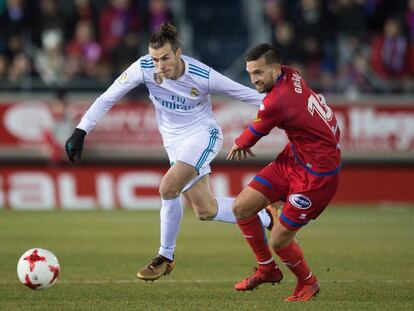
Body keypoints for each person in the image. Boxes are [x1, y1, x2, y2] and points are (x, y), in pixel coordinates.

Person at [65, 23, 276, 281]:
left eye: (165, 58)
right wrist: (81, 130)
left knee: (167, 187)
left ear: (178, 53)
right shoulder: (143, 68)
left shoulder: (202, 75)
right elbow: (108, 97)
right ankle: (263, 213)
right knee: (205, 210)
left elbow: (247, 95)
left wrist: (297, 103)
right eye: (155, 59)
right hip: (173, 141)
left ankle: (164, 257)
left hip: (202, 134)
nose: (160, 65)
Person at [227, 43, 340, 301]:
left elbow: (254, 132)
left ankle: (308, 283)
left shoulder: (278, 100)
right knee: (241, 208)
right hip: (295, 157)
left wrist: (240, 143)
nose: (254, 79)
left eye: (259, 73)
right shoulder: (292, 73)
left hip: (317, 176)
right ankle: (267, 269)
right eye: (250, 73)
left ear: (276, 69)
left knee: (278, 241)